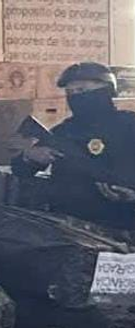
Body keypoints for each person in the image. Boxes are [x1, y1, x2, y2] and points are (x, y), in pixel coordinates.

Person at [12, 62, 135, 231]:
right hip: (69, 224)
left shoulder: (130, 125)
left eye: (82, 90)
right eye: (70, 92)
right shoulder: (64, 131)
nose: (75, 96)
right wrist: (30, 157)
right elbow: (20, 170)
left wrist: (131, 196)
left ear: (106, 90)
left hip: (121, 225)